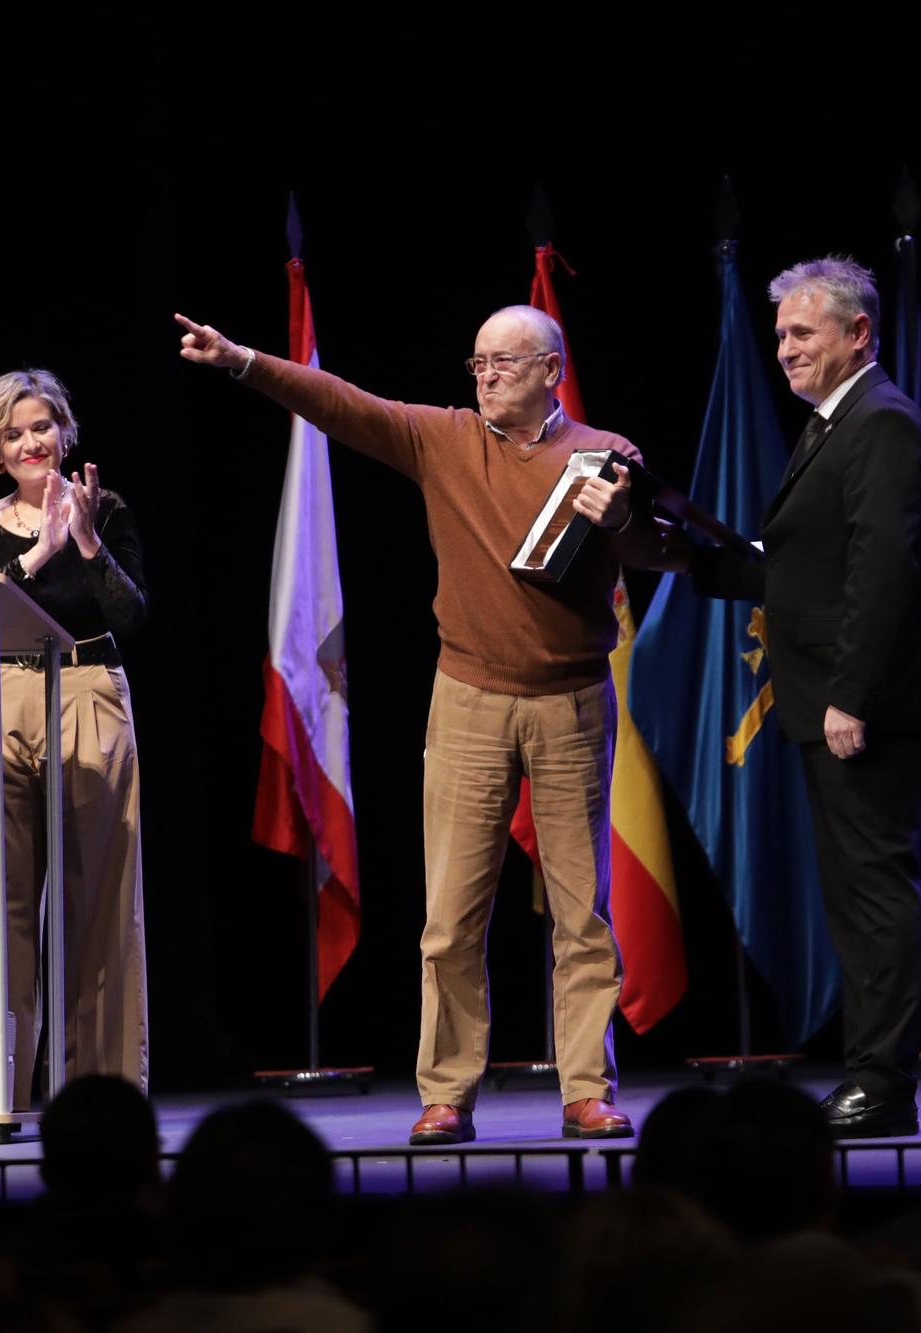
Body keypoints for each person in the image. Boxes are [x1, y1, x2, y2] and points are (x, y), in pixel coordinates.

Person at [176, 306, 637, 1145]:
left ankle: (586, 1090)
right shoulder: (445, 439)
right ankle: (449, 1093)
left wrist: (626, 522)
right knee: (453, 914)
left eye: (503, 362)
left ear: (549, 367)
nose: (486, 375)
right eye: (478, 362)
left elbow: (661, 553)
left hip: (571, 703)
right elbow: (345, 404)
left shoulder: (607, 456)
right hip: (467, 698)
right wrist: (244, 361)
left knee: (584, 912)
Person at [581, 257, 921, 1137]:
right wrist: (671, 538)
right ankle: (872, 1077)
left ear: (860, 334)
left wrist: (851, 696)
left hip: (865, 706)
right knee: (854, 897)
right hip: (828, 701)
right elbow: (795, 567)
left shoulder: (881, 424)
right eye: (779, 333)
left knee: (873, 896)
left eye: (801, 333)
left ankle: (883, 1086)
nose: (783, 349)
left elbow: (882, 574)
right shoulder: (833, 424)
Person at [0, 369, 149, 1111]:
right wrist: (39, 551)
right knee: (3, 900)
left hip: (89, 689)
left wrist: (87, 542)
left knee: (101, 900)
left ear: (64, 431)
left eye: (41, 426)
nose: (31, 441)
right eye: (13, 432)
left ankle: (102, 1094)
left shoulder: (107, 508)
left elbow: (131, 616)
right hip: (2, 694)